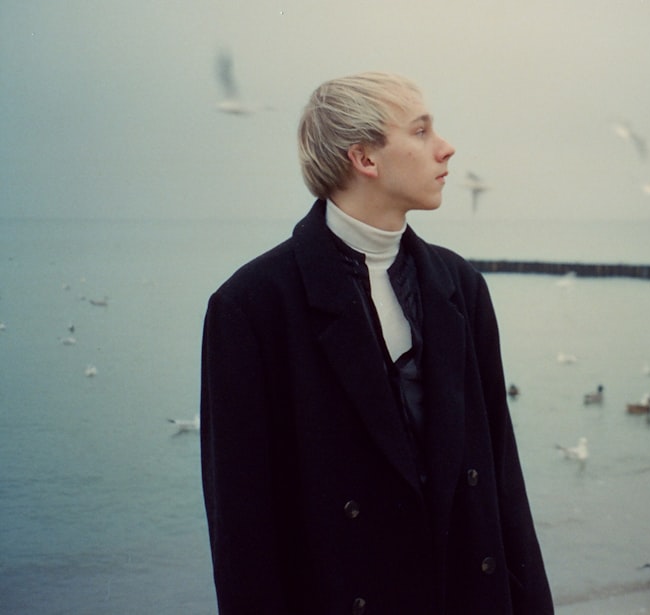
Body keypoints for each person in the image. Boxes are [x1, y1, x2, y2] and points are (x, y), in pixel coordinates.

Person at [200, 72, 553, 615]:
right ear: (365, 159)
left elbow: (503, 484)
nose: (446, 147)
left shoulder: (460, 287)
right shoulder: (251, 308)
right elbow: (242, 534)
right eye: (421, 131)